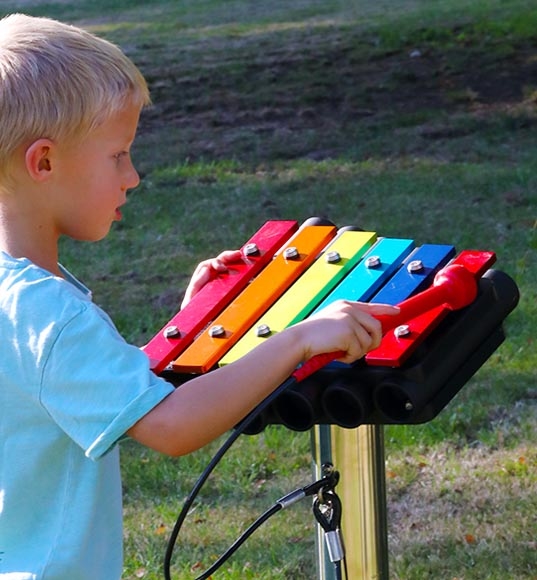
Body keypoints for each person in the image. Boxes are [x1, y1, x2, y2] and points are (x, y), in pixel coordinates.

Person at [0, 13, 399, 580]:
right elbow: (170, 426)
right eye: (117, 155)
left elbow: (85, 386)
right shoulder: (50, 314)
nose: (132, 176)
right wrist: (300, 339)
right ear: (44, 162)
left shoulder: (20, 299)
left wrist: (193, 318)